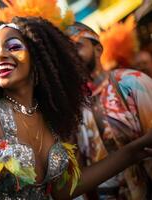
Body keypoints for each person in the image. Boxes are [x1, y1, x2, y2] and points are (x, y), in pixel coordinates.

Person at [0, 16, 152, 200]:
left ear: (39, 57)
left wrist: (133, 152)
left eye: (12, 47)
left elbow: (62, 192)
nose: (0, 55)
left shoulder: (56, 118)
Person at [67, 20, 152, 199]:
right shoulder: (71, 111)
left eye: (76, 46)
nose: (70, 55)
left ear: (98, 49)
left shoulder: (133, 83)